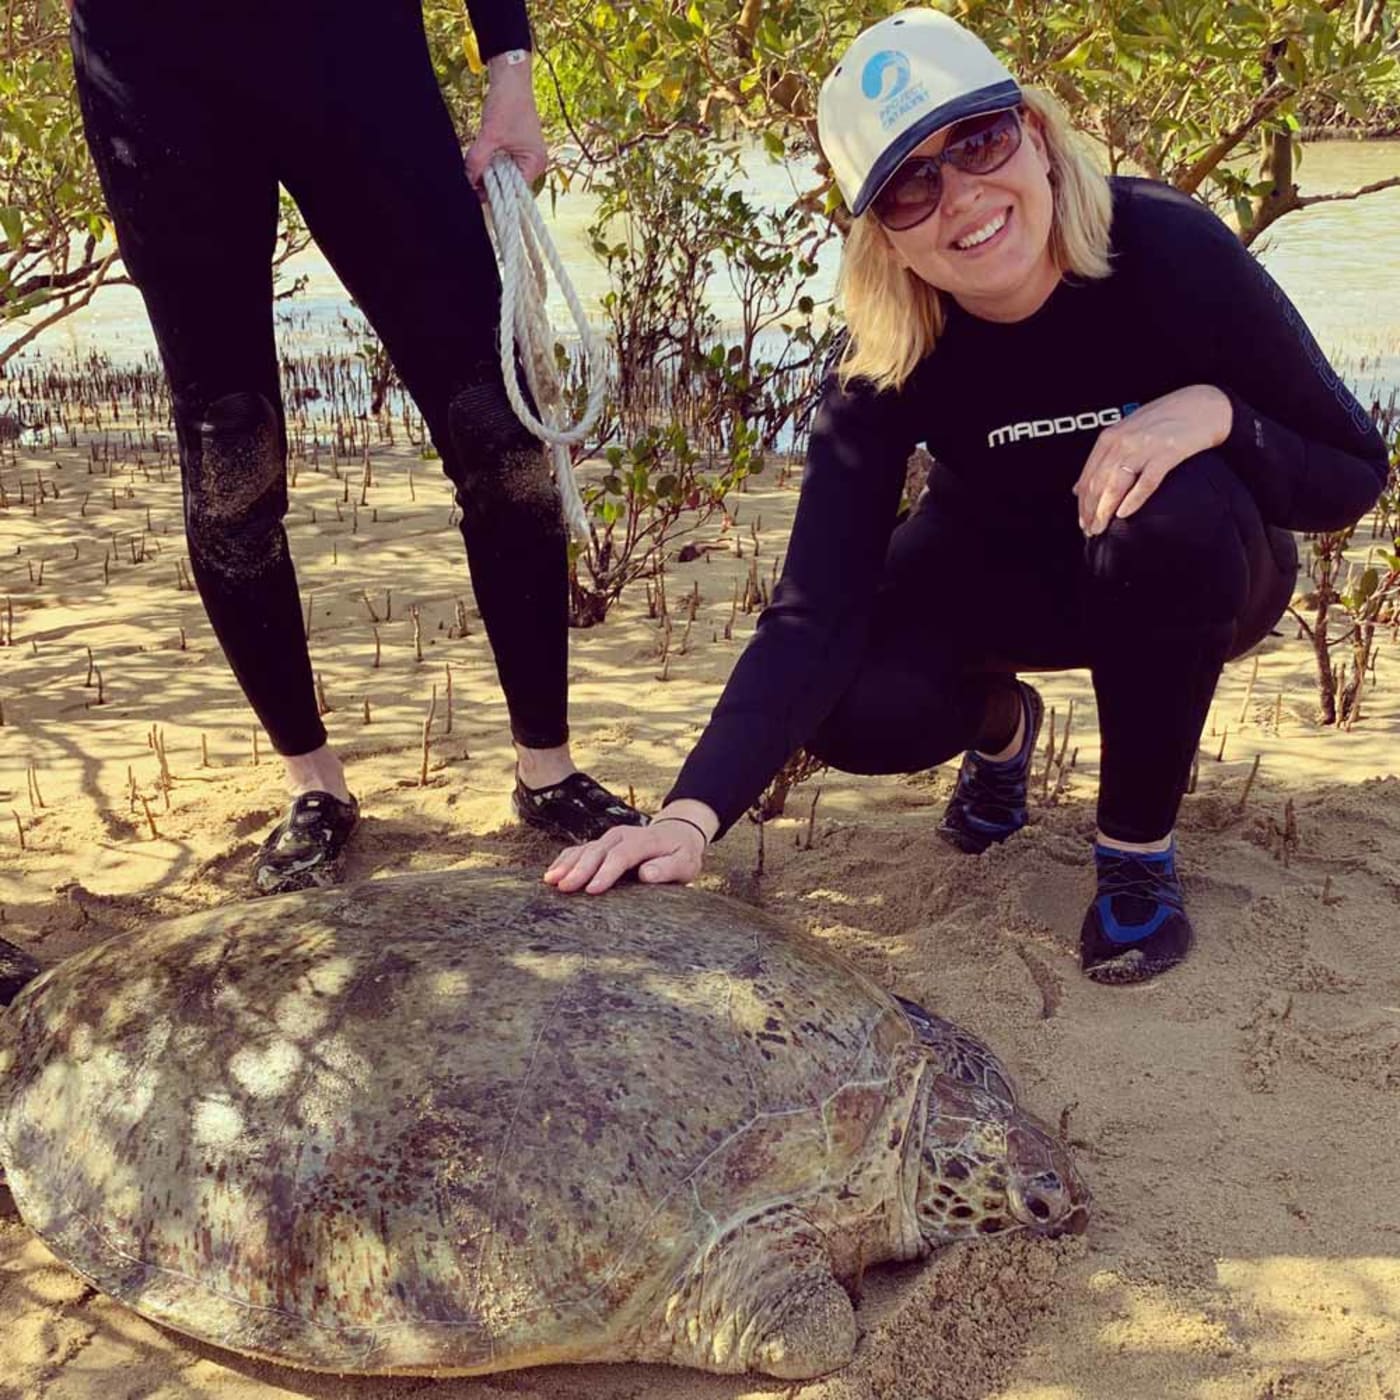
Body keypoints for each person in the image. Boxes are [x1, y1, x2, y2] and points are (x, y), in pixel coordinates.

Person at [543, 9, 1387, 984]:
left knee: (1169, 512)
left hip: (1196, 565)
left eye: (978, 141)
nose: (961, 196)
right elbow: (812, 613)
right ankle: (1000, 732)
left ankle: (1133, 855)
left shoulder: (1168, 248)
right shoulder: (885, 352)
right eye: (910, 183)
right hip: (994, 571)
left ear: (1032, 136)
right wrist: (688, 816)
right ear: (884, 237)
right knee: (852, 701)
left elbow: (1350, 471)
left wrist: (1213, 414)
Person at [68, 0, 645, 893]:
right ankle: (314, 785)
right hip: (147, 68)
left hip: (351, 43)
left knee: (501, 433)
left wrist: (509, 68)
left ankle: (548, 768)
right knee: (232, 457)